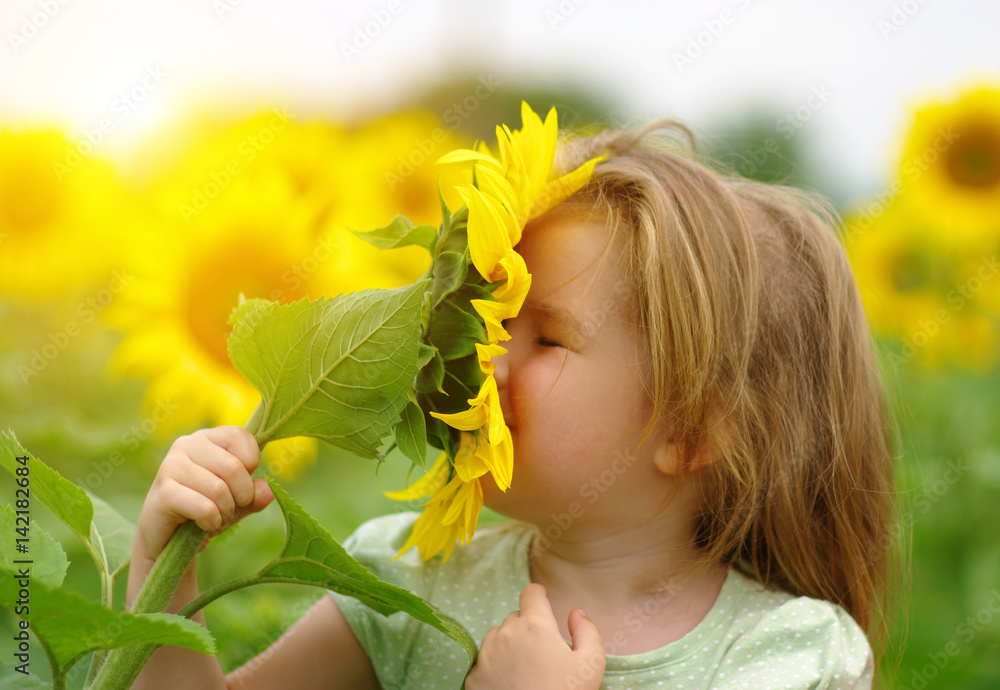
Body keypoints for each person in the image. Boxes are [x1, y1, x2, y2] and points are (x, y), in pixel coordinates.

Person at [128, 120, 899, 689]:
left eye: (547, 338)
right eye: (491, 319)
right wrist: (165, 573)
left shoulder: (787, 658)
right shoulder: (409, 583)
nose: (483, 359)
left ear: (694, 428)